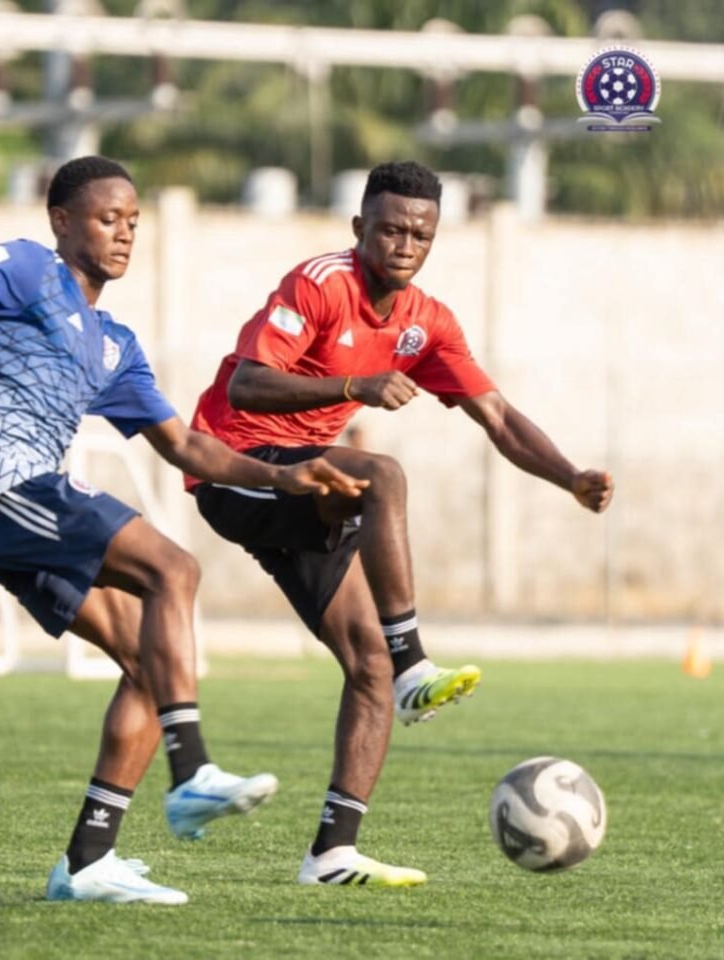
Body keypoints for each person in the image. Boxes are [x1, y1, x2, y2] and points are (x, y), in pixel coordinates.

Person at [0, 155, 367, 906]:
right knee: (175, 569)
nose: (124, 233)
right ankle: (192, 770)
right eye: (109, 218)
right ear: (62, 221)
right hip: (0, 490)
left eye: (134, 221)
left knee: (147, 659)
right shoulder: (30, 269)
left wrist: (284, 476)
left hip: (22, 512)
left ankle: (86, 862)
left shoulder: (114, 344)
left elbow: (188, 447)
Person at [187, 160, 615, 888]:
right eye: (390, 229)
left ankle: (332, 852)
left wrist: (569, 476)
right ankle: (415, 660)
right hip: (238, 468)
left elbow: (499, 417)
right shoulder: (319, 284)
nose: (405, 244)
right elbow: (247, 385)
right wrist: (355, 385)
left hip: (311, 485)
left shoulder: (428, 323)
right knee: (381, 475)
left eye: (421, 234)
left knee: (368, 668)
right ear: (360, 227)